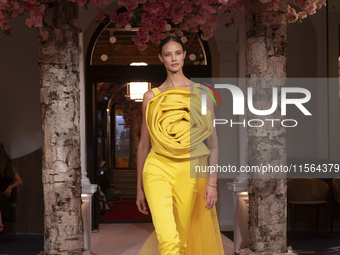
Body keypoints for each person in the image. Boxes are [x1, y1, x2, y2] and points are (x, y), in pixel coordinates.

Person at [136, 36, 225, 255]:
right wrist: (138, 187)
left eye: (177, 53)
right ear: (161, 58)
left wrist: (212, 182)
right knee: (168, 239)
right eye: (168, 54)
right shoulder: (150, 97)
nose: (173, 58)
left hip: (190, 170)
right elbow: (144, 144)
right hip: (157, 168)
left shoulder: (203, 94)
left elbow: (213, 143)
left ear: (184, 55)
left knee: (182, 241)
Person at [0, 143, 23, 236]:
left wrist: (10, 187)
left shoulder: (9, 167)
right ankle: (0, 226)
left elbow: (20, 181)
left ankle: (0, 226)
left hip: (5, 197)